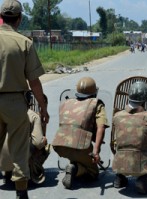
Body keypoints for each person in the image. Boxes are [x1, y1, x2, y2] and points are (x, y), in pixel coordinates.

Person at [0, 1, 49, 198]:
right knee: (19, 149)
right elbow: (34, 82)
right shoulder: (24, 43)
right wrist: (43, 109)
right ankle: (21, 194)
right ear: (19, 19)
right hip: (14, 103)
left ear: (1, 17)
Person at [52, 77, 109, 189]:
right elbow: (101, 127)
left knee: (75, 154)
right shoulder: (96, 104)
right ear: (94, 92)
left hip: (60, 145)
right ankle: (76, 169)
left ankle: (74, 164)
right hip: (81, 146)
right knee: (93, 173)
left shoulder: (66, 102)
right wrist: (96, 152)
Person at [112, 81, 147, 195]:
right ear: (145, 99)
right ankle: (144, 178)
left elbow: (114, 142)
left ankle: (120, 177)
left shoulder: (117, 116)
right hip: (142, 162)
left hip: (120, 160)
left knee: (121, 149)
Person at [0, 93, 50, 185]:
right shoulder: (33, 116)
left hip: (2, 161)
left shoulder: (4, 113)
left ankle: (8, 172)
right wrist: (43, 141)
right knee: (39, 144)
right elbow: (38, 142)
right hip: (18, 158)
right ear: (29, 102)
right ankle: (30, 172)